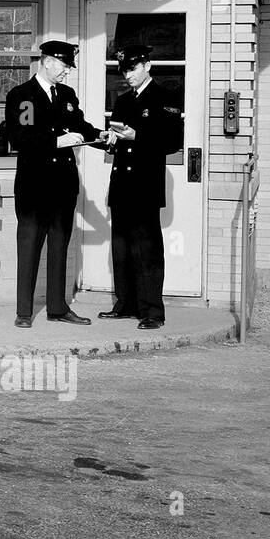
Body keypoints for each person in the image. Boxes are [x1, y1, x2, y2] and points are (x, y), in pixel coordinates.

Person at [4, 39, 106, 328]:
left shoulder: (67, 95)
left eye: (69, 68)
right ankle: (24, 311)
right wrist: (56, 141)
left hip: (62, 186)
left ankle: (57, 308)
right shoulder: (23, 95)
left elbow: (81, 128)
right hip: (34, 187)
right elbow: (20, 138)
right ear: (47, 61)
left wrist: (103, 137)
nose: (66, 72)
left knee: (60, 247)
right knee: (29, 247)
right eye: (63, 66)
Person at [97, 45, 184, 330]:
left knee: (147, 250)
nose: (127, 75)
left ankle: (152, 311)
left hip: (145, 186)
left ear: (147, 65)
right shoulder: (122, 101)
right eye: (123, 71)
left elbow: (173, 142)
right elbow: (120, 137)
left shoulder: (165, 98)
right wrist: (111, 139)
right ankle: (125, 304)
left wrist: (139, 135)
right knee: (121, 248)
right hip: (122, 184)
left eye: (132, 69)